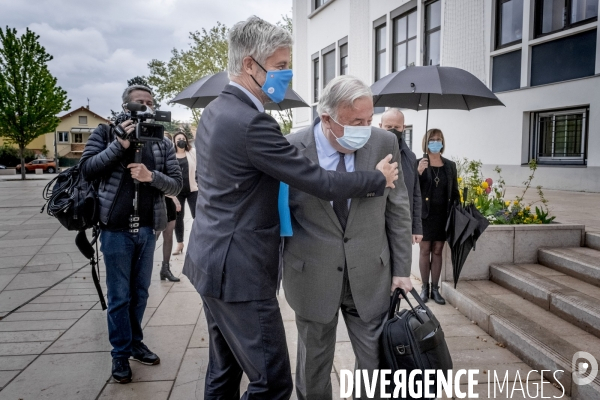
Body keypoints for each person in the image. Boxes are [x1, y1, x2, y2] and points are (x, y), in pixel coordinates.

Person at [182, 16, 399, 399]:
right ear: (251, 65)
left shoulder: (216, 111)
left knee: (223, 372)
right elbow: (318, 181)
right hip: (241, 273)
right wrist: (376, 179)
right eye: (281, 67)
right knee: (273, 383)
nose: (287, 75)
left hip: (209, 262)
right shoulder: (252, 124)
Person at [283, 76, 413, 400]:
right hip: (311, 277)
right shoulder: (291, 147)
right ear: (327, 118)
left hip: (371, 275)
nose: (365, 128)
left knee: (375, 368)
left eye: (369, 120)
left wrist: (401, 271)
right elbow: (277, 214)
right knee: (313, 368)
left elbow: (397, 209)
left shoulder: (385, 142)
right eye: (356, 122)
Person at [80, 85, 183, 384]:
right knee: (119, 297)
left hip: (148, 229)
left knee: (140, 294)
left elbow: (176, 185)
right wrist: (120, 147)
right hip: (115, 230)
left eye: (150, 103)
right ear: (126, 106)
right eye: (140, 103)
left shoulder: (161, 142)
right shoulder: (104, 133)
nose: (146, 107)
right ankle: (120, 354)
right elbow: (87, 169)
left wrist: (151, 177)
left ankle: (135, 342)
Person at [417, 128, 460, 305]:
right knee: (425, 250)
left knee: (437, 250)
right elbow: (412, 190)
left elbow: (455, 191)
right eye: (432, 139)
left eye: (439, 139)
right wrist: (419, 173)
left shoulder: (450, 165)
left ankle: (435, 289)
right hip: (425, 215)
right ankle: (424, 288)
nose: (436, 142)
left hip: (443, 215)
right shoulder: (418, 163)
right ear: (426, 142)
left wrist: (457, 212)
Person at [380, 108, 423, 245]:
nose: (393, 130)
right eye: (388, 127)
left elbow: (416, 194)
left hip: (402, 224)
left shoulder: (410, 157)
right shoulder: (371, 154)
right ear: (380, 127)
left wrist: (416, 227)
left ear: (403, 128)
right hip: (378, 226)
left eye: (397, 127)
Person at [156, 133, 182, 282]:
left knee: (169, 234)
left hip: (170, 198)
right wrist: (175, 198)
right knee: (155, 234)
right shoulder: (154, 158)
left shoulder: (169, 157)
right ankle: (141, 265)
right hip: (159, 200)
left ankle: (165, 268)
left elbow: (173, 180)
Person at [171, 131, 198, 255]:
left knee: (197, 216)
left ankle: (199, 243)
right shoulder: (171, 155)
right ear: (174, 142)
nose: (181, 140)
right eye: (178, 139)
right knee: (178, 218)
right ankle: (180, 243)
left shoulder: (192, 152)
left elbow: (200, 167)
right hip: (178, 192)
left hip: (193, 190)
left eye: (183, 138)